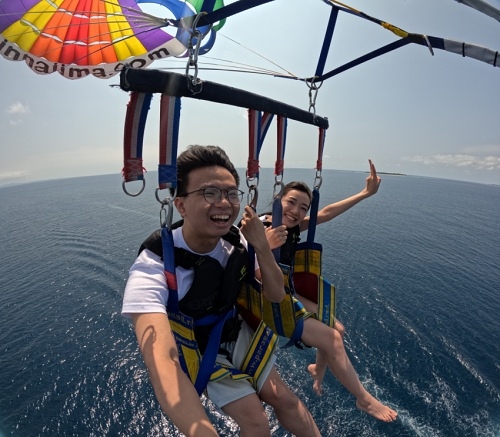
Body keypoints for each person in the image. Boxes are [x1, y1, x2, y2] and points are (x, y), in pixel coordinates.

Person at [122, 145, 321, 437]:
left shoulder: (237, 241)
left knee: (288, 402)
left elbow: (276, 295)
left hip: (234, 331)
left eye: (231, 193)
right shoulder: (155, 265)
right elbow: (163, 360)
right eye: (210, 193)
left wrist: (261, 245)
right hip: (196, 347)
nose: (224, 203)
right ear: (181, 205)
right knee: (256, 422)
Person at [263, 160, 398, 422]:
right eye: (291, 202)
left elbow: (325, 214)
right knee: (333, 338)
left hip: (287, 290)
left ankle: (318, 369)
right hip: (267, 296)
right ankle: (363, 398)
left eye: (303, 208)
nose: (296, 211)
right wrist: (264, 245)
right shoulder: (261, 227)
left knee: (339, 330)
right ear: (278, 200)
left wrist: (364, 193)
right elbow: (245, 264)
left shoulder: (291, 227)